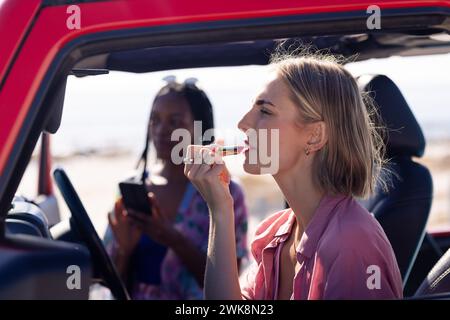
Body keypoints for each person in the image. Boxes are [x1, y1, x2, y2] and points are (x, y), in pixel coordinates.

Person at [184, 52, 403, 299]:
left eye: (265, 111)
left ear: (314, 136)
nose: (243, 123)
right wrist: (220, 209)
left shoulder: (352, 244)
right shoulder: (274, 235)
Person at [103, 77, 248, 300]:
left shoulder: (226, 191)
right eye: (155, 120)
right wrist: (124, 250)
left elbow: (231, 287)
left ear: (199, 129)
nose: (161, 130)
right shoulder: (130, 189)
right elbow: (111, 285)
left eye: (175, 122)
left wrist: (173, 239)